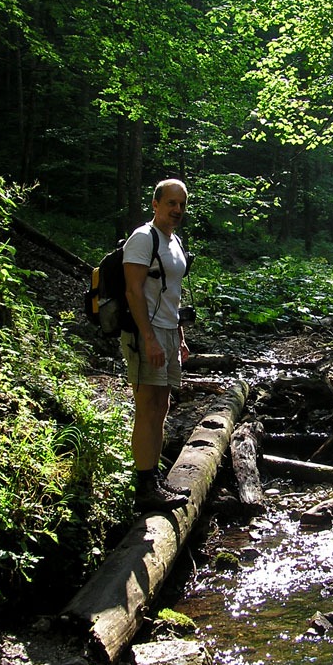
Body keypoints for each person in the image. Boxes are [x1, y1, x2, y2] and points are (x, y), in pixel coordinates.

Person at [121, 178, 192, 510]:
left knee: (160, 408)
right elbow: (133, 292)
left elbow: (171, 296)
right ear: (156, 204)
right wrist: (148, 337)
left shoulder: (174, 241)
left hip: (168, 331)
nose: (177, 210)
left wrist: (179, 338)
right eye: (171, 203)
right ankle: (144, 487)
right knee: (147, 407)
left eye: (181, 205)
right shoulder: (142, 238)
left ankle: (153, 478)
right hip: (144, 333)